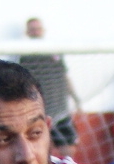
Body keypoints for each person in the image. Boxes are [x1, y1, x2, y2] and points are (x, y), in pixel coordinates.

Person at [17, 18, 76, 146]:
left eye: (38, 29)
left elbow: (64, 76)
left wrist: (76, 99)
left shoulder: (54, 50)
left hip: (61, 107)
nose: (36, 32)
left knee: (69, 144)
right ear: (27, 32)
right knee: (45, 144)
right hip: (41, 108)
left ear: (43, 30)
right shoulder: (25, 55)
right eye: (32, 29)